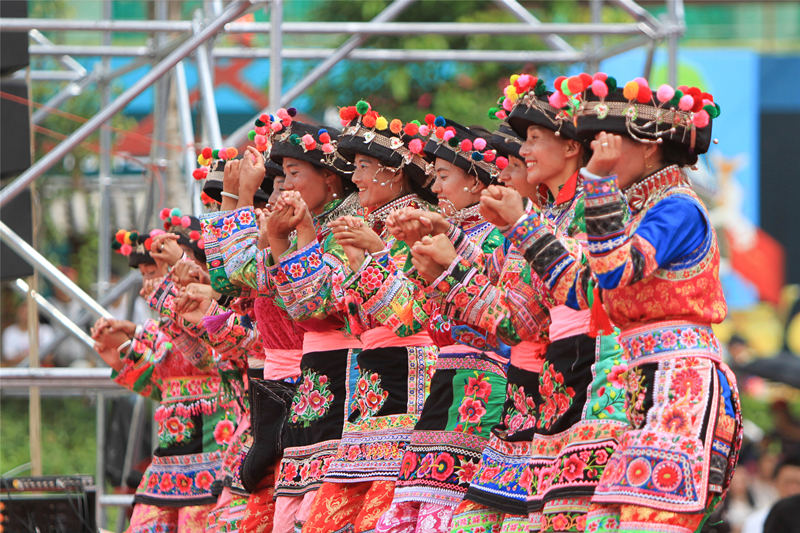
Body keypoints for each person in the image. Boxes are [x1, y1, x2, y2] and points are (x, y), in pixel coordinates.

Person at [484, 73, 741, 532]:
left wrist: (596, 184)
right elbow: (580, 289)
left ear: (648, 146)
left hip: (681, 380)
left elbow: (617, 269)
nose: (597, 153)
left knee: (650, 521)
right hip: (638, 382)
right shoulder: (639, 208)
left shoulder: (677, 206)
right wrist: (519, 226)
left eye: (608, 142)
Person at [276, 101, 438, 533]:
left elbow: (408, 314)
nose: (358, 178)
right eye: (357, 167)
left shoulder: (423, 224)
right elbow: (312, 308)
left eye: (366, 166)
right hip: (367, 387)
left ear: (396, 171)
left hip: (410, 382)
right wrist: (304, 236)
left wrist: (373, 256)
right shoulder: (354, 226)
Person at [742, 454, 800, 533]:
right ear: (775, 483)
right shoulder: (755, 521)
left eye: (798, 483)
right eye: (788, 483)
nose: (792, 490)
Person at [2, 300, 55, 367]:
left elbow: (49, 357)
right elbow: (8, 359)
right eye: (23, 312)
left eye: (28, 312)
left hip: (42, 372)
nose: (25, 316)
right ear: (17, 312)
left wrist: (23, 356)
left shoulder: (46, 330)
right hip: (18, 373)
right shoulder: (9, 332)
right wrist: (36, 356)